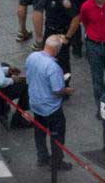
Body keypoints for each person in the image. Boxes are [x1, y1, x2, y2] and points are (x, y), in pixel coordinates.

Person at [24, 35, 73, 171]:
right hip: (51, 107)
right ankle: (57, 162)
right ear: (56, 49)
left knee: (39, 131)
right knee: (57, 135)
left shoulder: (32, 57)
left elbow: (28, 74)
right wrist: (67, 90)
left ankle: (42, 157)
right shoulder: (53, 67)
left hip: (35, 102)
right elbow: (57, 90)